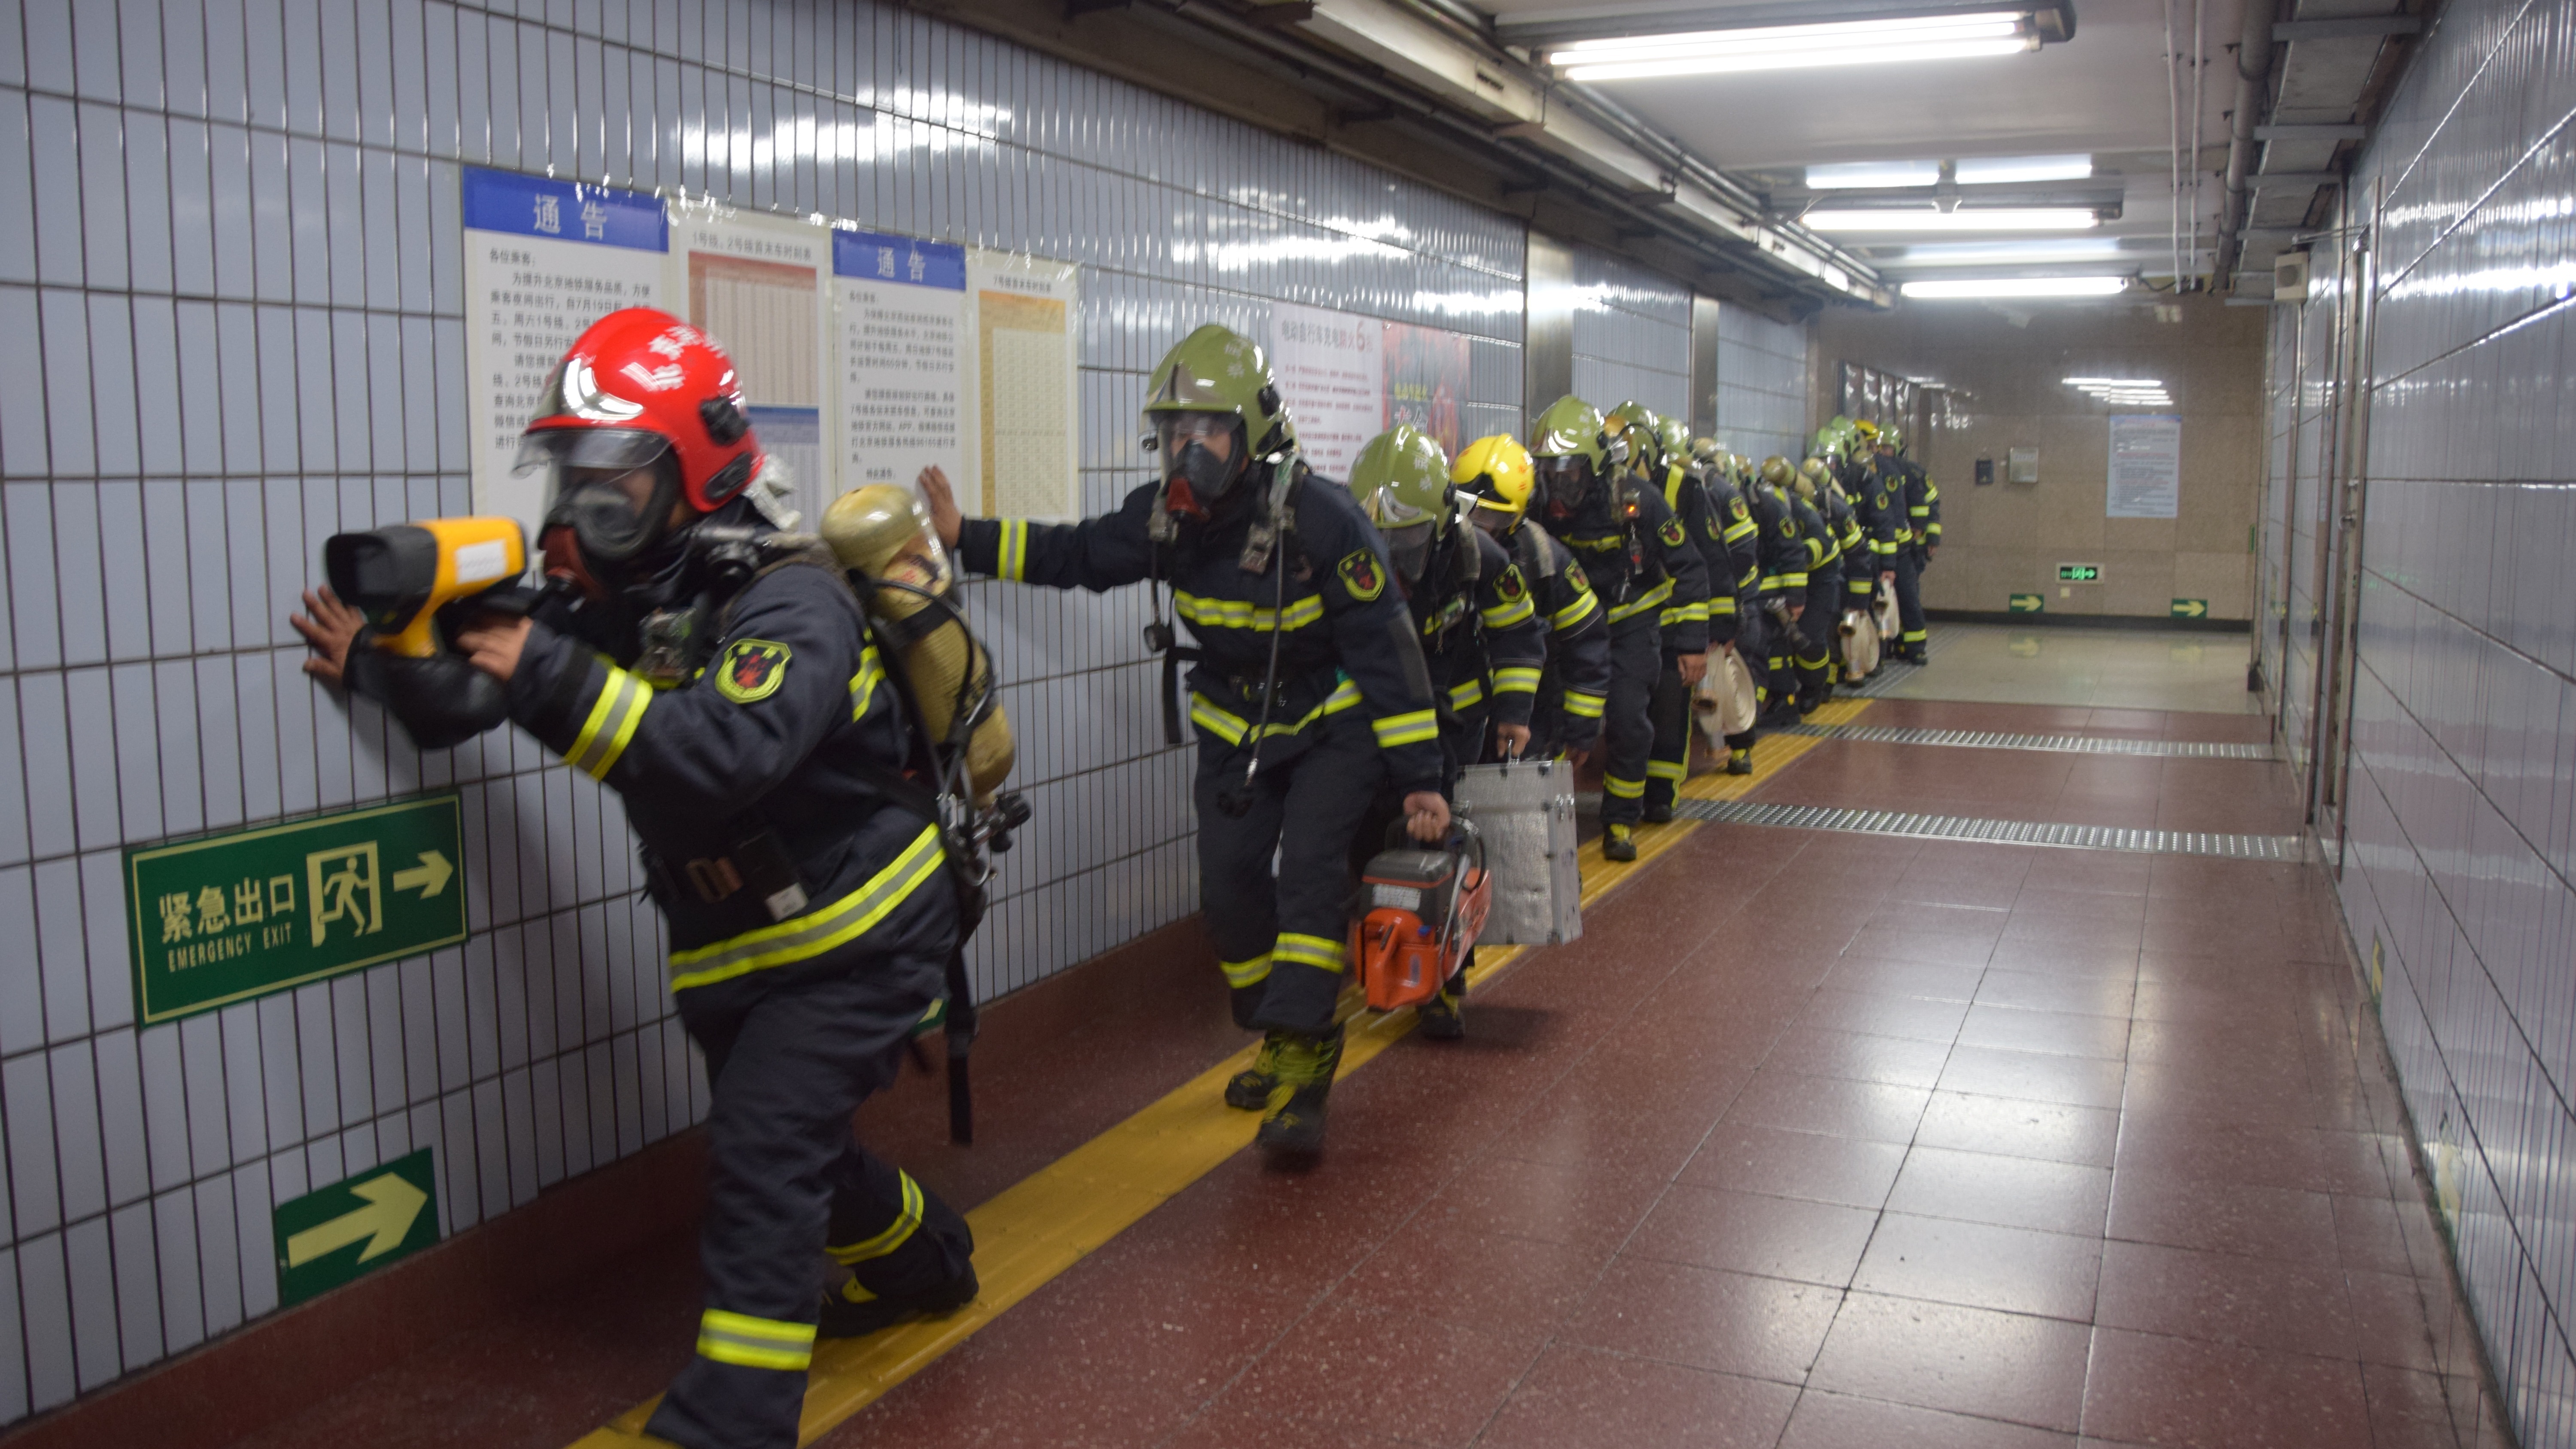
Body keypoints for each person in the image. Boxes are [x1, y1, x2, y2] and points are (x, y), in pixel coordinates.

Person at [291, 308, 976, 1449]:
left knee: (764, 1148)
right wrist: (378, 654)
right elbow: (475, 697)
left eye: (616, 487)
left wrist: (551, 667)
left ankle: (728, 1421)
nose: (586, 513)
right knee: (790, 1138)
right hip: (736, 938)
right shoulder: (617, 601)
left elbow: (722, 750)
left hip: (861, 929)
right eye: (575, 481)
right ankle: (923, 1257)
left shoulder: (789, 601)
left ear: (696, 476)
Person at [914, 323, 1447, 1157]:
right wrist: (963, 536)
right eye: (1173, 434)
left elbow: (1389, 650)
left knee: (1309, 880)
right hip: (1236, 727)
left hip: (1330, 729)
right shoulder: (1167, 521)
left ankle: (1306, 1063)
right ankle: (1275, 1029)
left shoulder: (1324, 519)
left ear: (1254, 432)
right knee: (1231, 892)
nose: (1186, 450)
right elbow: (1078, 552)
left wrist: (1421, 778)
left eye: (1207, 430)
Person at [1349, 424, 1549, 1037]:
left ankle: (1443, 985)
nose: (1390, 553)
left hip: (1452, 730)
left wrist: (1514, 709)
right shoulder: (1341, 555)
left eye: (1405, 538)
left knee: (1441, 846)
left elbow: (1518, 629)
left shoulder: (1475, 556)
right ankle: (1378, 961)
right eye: (1377, 536)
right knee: (1367, 844)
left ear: (1439, 520)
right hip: (1369, 728)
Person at [1527, 396, 1710, 862]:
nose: (1557, 482)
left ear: (1594, 464)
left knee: (1629, 722)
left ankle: (1620, 820)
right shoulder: (1540, 504)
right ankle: (1544, 822)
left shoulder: (1638, 500)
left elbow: (1689, 568)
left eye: (1567, 470)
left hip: (1631, 627)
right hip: (1571, 634)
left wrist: (1691, 644)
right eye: (1547, 470)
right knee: (1555, 724)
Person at [1606, 405, 1738, 819]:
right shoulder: (1610, 489)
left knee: (1670, 710)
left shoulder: (1684, 488)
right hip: (1636, 621)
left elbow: (1710, 562)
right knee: (1632, 714)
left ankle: (1661, 793)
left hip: (1676, 623)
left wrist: (1712, 631)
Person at [1451, 434, 1614, 767]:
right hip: (1456, 723)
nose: (1478, 530)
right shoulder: (1437, 552)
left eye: (1492, 520)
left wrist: (1581, 729)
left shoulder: (1543, 559)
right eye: (1468, 512)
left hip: (1530, 722)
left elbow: (1588, 639)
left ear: (1517, 518)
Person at [1692, 439, 1764, 774]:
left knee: (1734, 672)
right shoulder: (1689, 491)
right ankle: (1714, 739)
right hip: (1704, 596)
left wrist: (1729, 616)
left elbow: (1742, 553)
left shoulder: (1723, 493)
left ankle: (1741, 750)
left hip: (1735, 596)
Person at [1746, 457, 1811, 727]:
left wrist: (1795, 599)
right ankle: (1776, 703)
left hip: (1772, 592)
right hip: (1756, 591)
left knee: (1767, 648)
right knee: (1769, 650)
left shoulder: (1769, 506)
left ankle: (1774, 705)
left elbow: (1793, 551)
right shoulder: (1739, 504)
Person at [1787, 464, 1845, 712]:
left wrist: (1792, 557)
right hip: (1795, 580)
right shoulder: (1770, 506)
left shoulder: (1805, 513)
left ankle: (1815, 687)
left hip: (1822, 580)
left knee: (1811, 636)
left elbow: (1817, 549)